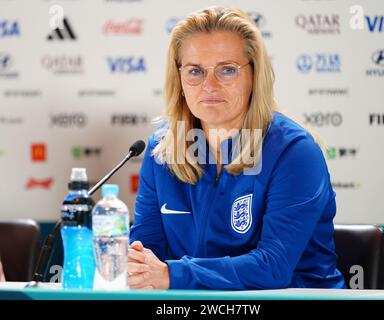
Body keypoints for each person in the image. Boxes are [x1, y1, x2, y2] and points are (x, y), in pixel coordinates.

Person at [128, 6, 346, 290]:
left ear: (254, 76)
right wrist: (135, 267)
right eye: (195, 71)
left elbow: (273, 267)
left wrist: (173, 275)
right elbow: (145, 253)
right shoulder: (162, 150)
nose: (210, 85)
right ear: (179, 80)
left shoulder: (295, 152)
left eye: (227, 70)